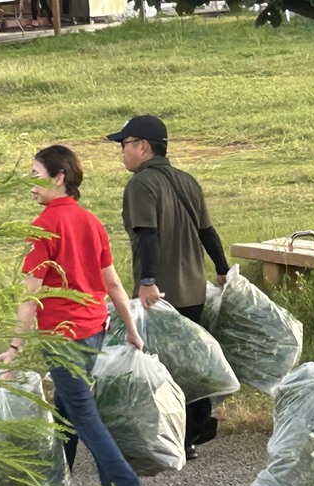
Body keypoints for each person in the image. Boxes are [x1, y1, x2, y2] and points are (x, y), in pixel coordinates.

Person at [0, 144, 148, 486]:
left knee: (82, 413)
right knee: (65, 408)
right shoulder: (91, 222)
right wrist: (130, 328)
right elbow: (112, 284)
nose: (31, 184)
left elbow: (31, 294)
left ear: (59, 177)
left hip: (62, 337)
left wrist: (14, 348)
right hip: (94, 329)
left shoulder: (44, 227)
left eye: (36, 176)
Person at [106, 115, 230, 462]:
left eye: (124, 144)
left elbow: (148, 234)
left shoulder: (141, 184)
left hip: (160, 295)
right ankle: (191, 432)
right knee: (188, 364)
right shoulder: (186, 180)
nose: (121, 151)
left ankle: (173, 437)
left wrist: (147, 281)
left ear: (143, 146)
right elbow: (208, 232)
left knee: (162, 371)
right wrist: (221, 269)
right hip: (194, 289)